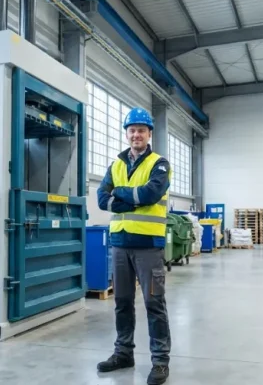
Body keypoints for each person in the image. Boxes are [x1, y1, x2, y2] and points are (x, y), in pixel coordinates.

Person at [96, 107, 172, 385]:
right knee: (122, 302)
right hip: (119, 244)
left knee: (154, 303)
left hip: (148, 247)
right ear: (127, 134)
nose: (136, 134)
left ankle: (160, 360)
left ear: (149, 133)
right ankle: (123, 352)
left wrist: (120, 193)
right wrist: (130, 197)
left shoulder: (159, 163)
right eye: (132, 130)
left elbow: (152, 192)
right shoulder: (116, 164)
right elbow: (101, 198)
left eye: (141, 129)